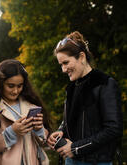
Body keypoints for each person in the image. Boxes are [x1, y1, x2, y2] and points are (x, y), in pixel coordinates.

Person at [47, 31, 123, 165]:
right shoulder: (71, 87)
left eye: (66, 63)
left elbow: (113, 129)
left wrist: (75, 148)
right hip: (71, 161)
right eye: (61, 65)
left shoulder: (104, 83)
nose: (63, 69)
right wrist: (60, 131)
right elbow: (71, 120)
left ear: (81, 57)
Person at [0, 59, 51, 165]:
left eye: (19, 86)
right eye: (10, 86)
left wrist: (39, 129)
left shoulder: (32, 106)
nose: (15, 91)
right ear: (0, 84)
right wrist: (12, 132)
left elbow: (44, 143)